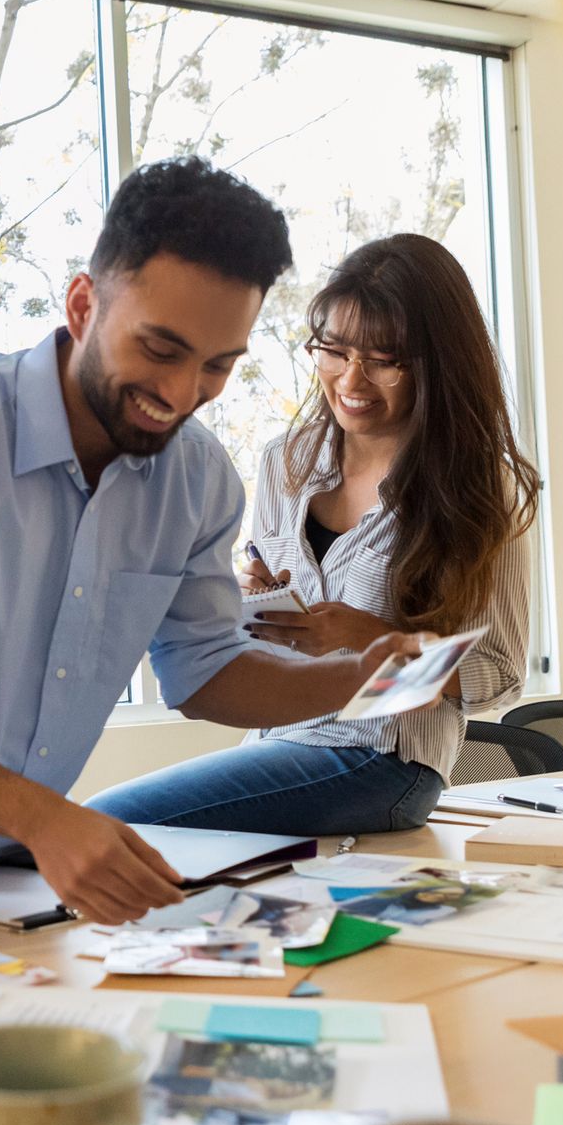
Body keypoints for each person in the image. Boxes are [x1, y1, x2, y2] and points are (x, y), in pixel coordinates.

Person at [0, 158, 422, 928]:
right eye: (160, 350)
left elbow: (205, 670)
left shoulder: (197, 479)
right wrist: (43, 819)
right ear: (81, 304)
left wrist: (348, 678)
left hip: (18, 880)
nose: (182, 393)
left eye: (218, 365)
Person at [86, 234, 538, 836]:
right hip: (277, 737)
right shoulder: (286, 462)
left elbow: (500, 674)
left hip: (383, 760)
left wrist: (370, 637)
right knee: (99, 831)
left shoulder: (479, 488)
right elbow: (259, 646)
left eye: (384, 359)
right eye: (334, 350)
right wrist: (254, 603)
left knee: (105, 825)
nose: (351, 378)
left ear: (437, 362)